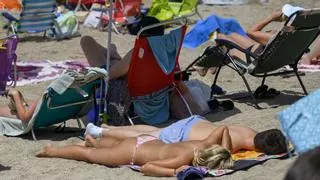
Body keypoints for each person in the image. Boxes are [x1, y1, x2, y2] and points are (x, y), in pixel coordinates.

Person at [37, 126, 234, 177]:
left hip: (148, 141)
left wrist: (227, 150)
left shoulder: (204, 144)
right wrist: (174, 172)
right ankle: (52, 151)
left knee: (105, 148)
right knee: (88, 157)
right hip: (133, 152)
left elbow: (223, 128)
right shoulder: (183, 158)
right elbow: (147, 168)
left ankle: (94, 142)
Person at [85, 115, 288, 154]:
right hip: (184, 134)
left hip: (195, 121)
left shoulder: (249, 132)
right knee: (147, 137)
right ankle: (101, 131)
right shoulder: (234, 143)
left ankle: (105, 129)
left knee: (152, 131)